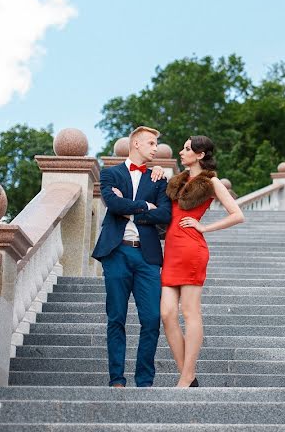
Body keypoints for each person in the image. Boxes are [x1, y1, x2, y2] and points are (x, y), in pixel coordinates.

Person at [161, 135, 244, 387]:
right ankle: (189, 375)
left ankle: (186, 377)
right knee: (166, 313)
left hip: (192, 249)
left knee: (190, 312)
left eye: (187, 149)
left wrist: (204, 227)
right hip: (172, 251)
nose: (181, 151)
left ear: (199, 155)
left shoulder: (211, 181)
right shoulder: (178, 180)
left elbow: (237, 215)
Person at [92, 126, 172, 388]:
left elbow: (164, 214)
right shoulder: (110, 174)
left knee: (151, 319)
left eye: (156, 144)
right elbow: (112, 204)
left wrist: (129, 208)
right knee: (116, 317)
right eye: (150, 143)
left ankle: (144, 380)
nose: (155, 148)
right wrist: (143, 207)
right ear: (135, 144)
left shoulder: (158, 179)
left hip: (147, 257)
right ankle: (117, 379)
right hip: (117, 252)